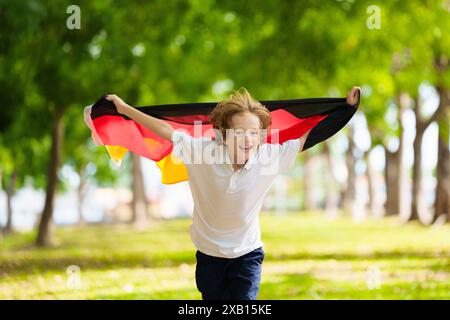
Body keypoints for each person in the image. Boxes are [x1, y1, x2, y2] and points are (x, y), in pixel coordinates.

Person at [105, 86, 361, 300]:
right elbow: (166, 131)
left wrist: (347, 109)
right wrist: (125, 109)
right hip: (209, 254)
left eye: (254, 133)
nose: (248, 139)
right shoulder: (203, 152)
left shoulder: (268, 157)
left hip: (247, 253)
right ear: (223, 135)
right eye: (240, 132)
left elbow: (311, 136)